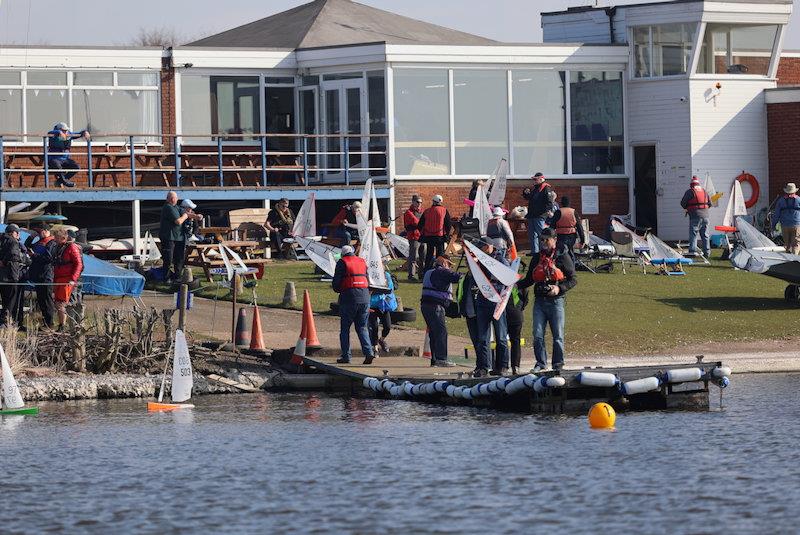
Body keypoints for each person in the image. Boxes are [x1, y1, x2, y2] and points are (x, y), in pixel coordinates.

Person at [518, 228, 577, 372]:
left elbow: (573, 279)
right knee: (537, 335)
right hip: (539, 302)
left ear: (554, 240)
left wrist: (559, 289)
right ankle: (540, 363)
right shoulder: (537, 258)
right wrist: (513, 283)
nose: (544, 242)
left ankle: (558, 364)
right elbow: (529, 280)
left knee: (558, 335)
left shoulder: (562, 256)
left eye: (547, 240)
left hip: (556, 301)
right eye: (541, 240)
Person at [472, 241, 510, 377]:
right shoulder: (478, 260)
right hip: (482, 300)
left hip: (497, 300)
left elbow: (507, 277)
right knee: (482, 338)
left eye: (482, 247)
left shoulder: (500, 259)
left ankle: (503, 366)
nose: (481, 249)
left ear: (489, 246)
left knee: (501, 336)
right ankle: (483, 366)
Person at [332, 245, 374, 365]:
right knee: (362, 327)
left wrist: (338, 289)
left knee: (345, 329)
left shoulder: (342, 262)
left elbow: (336, 282)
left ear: (343, 254)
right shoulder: (362, 261)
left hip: (349, 298)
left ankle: (346, 356)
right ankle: (369, 352)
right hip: (365, 298)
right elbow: (367, 278)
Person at [420, 254, 462, 367]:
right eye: (449, 265)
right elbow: (457, 277)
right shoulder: (442, 272)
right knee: (441, 332)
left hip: (426, 305)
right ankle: (442, 359)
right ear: (444, 263)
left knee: (433, 333)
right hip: (436, 307)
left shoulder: (429, 272)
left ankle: (434, 360)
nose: (450, 267)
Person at [159, 191, 201, 281]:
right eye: (172, 197)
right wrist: (185, 216)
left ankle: (177, 276)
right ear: (169, 199)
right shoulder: (168, 207)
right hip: (169, 237)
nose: (174, 199)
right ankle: (166, 278)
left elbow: (187, 214)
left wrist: (196, 216)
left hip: (179, 237)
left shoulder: (177, 207)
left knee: (179, 258)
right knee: (168, 259)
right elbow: (178, 221)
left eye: (175, 197)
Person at [24, 224, 58, 329]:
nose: (39, 234)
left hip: (46, 275)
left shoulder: (51, 242)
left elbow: (48, 258)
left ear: (46, 231)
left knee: (47, 300)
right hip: (38, 275)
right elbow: (27, 246)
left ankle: (50, 323)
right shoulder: (39, 242)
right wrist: (31, 237)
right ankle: (45, 322)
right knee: (41, 300)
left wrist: (34, 255)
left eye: (40, 232)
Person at [52, 227, 83, 330]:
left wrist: (73, 279)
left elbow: (78, 264)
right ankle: (62, 325)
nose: (55, 239)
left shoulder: (72, 247)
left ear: (63, 237)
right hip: (59, 278)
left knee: (62, 303)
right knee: (58, 303)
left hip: (67, 279)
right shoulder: (58, 247)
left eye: (57, 237)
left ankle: (66, 326)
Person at [0, 224, 30, 329]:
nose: (18, 235)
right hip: (12, 276)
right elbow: (15, 258)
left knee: (5, 300)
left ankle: (8, 321)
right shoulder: (13, 242)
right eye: (17, 233)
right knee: (12, 301)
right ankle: (8, 322)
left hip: (3, 277)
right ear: (14, 233)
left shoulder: (2, 241)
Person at [47, 122, 90, 188]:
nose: (65, 132)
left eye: (66, 130)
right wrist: (59, 132)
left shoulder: (68, 134)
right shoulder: (53, 135)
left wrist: (84, 132)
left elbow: (78, 134)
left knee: (76, 167)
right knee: (57, 165)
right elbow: (49, 132)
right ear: (59, 129)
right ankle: (65, 182)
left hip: (64, 159)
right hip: (54, 158)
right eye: (63, 130)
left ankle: (60, 181)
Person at [522, 172, 555, 254]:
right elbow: (529, 198)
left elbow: (549, 202)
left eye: (535, 179)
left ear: (541, 179)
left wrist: (545, 213)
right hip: (532, 215)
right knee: (532, 235)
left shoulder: (546, 188)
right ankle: (535, 253)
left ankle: (545, 250)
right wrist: (525, 193)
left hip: (540, 216)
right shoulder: (536, 188)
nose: (534, 181)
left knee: (542, 235)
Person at [418, 195, 452, 272]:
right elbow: (448, 224)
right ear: (440, 202)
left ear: (433, 201)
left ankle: (426, 272)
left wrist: (423, 232)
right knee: (440, 255)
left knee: (429, 255)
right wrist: (447, 234)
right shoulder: (444, 210)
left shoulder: (426, 211)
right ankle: (439, 271)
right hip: (440, 237)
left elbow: (420, 225)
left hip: (429, 237)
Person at [680, 176, 711, 258]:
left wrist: (689, 208)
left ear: (691, 184)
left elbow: (683, 203)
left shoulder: (690, 192)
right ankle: (707, 253)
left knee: (693, 235)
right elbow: (710, 204)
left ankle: (692, 252)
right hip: (706, 216)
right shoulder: (704, 191)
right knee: (705, 235)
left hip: (695, 216)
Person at [369, 268, 398, 355]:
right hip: (371, 305)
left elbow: (389, 289)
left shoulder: (386, 275)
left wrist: (375, 290)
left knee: (387, 326)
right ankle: (375, 348)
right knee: (374, 327)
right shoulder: (369, 275)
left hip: (383, 305)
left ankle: (381, 340)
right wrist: (379, 289)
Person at [506, 270, 529, 376]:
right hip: (513, 313)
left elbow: (525, 298)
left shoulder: (518, 282)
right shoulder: (519, 281)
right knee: (512, 340)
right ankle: (513, 366)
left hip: (512, 314)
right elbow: (526, 299)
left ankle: (509, 366)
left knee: (509, 340)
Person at [550, 196, 586, 263]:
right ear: (569, 203)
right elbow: (579, 227)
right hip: (572, 236)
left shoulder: (558, 212)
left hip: (561, 235)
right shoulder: (574, 212)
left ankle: (561, 266)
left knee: (561, 251)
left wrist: (550, 238)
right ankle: (571, 267)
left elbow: (552, 226)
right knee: (570, 251)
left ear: (561, 203)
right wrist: (582, 240)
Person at [773, 183, 800, 255]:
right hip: (796, 225)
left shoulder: (781, 201)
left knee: (787, 245)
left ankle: (788, 261)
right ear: (795, 191)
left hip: (784, 225)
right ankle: (795, 262)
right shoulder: (798, 200)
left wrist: (773, 225)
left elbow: (776, 214)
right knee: (795, 244)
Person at [403, 195, 425, 281]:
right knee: (413, 257)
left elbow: (425, 221)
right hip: (413, 237)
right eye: (418, 202)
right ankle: (411, 276)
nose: (419, 204)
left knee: (423, 257)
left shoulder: (422, 212)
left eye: (420, 202)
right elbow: (417, 223)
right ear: (413, 202)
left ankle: (421, 274)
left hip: (423, 236)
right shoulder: (409, 212)